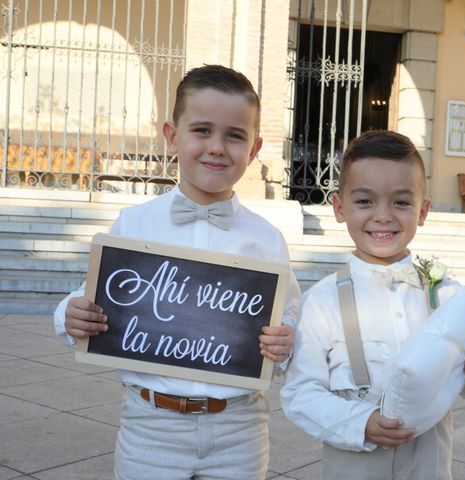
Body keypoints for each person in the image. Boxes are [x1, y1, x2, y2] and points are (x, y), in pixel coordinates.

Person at [53, 64, 301, 480]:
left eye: (234, 135)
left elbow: (289, 312)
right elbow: (93, 297)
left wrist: (286, 340)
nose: (217, 147)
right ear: (172, 136)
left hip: (238, 427)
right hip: (150, 424)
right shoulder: (134, 224)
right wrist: (70, 314)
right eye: (202, 130)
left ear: (255, 149)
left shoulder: (266, 239)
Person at [280, 130, 465, 479]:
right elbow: (300, 393)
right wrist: (360, 423)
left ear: (423, 210)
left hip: (428, 464)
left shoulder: (446, 294)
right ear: (339, 208)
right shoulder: (321, 301)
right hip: (352, 464)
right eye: (365, 201)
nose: (383, 216)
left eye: (401, 202)